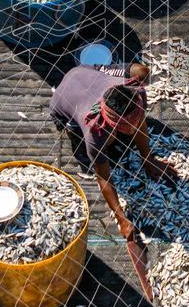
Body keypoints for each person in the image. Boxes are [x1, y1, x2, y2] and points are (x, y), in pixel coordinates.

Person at [49, 61, 177, 241]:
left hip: (84, 70)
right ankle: (74, 129)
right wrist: (122, 218)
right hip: (62, 105)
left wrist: (149, 161)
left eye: (137, 119)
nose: (135, 127)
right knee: (103, 143)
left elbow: (140, 124)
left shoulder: (136, 91)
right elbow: (103, 177)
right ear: (112, 123)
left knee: (141, 71)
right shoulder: (95, 132)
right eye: (128, 126)